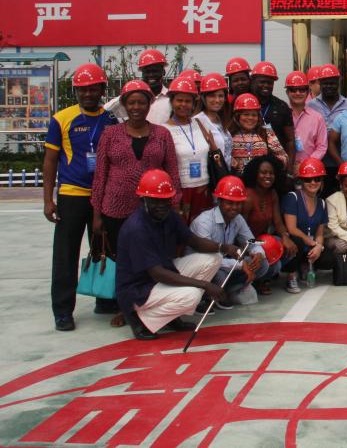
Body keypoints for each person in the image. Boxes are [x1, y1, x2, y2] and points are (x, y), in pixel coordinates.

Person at [91, 80, 180, 324]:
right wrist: (97, 214)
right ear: (124, 105)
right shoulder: (110, 134)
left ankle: (149, 304)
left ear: (150, 104)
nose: (136, 107)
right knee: (124, 262)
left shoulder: (162, 134)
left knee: (153, 260)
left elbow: (172, 171)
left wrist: (174, 203)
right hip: (116, 208)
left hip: (153, 210)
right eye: (131, 103)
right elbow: (100, 175)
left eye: (142, 102)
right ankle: (125, 308)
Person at [116, 169, 235, 341]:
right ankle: (140, 320)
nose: (162, 205)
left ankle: (170, 317)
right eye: (156, 201)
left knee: (214, 258)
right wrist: (204, 285)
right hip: (139, 288)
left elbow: (193, 241)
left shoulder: (168, 215)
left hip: (162, 273)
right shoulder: (137, 228)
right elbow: (157, 273)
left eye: (166, 200)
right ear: (144, 200)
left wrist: (224, 247)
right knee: (192, 296)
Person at [44, 63, 120, 331]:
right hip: (72, 195)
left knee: (103, 249)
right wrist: (48, 200)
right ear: (76, 91)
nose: (88, 94)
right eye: (83, 89)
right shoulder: (61, 119)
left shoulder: (110, 120)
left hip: (103, 196)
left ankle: (105, 299)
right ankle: (63, 311)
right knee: (66, 254)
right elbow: (50, 160)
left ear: (102, 90)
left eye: (93, 89)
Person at [189, 176, 275, 307]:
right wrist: (241, 264)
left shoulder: (237, 218)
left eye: (238, 203)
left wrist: (258, 253)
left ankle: (227, 291)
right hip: (201, 266)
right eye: (230, 203)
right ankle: (209, 296)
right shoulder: (204, 222)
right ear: (219, 201)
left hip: (222, 263)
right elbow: (207, 259)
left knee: (263, 264)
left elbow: (251, 241)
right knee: (219, 276)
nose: (234, 207)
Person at [241, 154, 296, 294]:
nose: (268, 176)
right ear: (255, 174)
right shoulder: (248, 197)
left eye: (271, 173)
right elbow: (240, 231)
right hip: (247, 243)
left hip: (263, 240)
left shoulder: (272, 194)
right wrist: (254, 248)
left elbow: (278, 222)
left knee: (290, 247)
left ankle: (263, 278)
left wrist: (285, 237)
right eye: (263, 172)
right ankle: (257, 280)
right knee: (275, 264)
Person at [164, 76, 212, 224]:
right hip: (181, 191)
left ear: (193, 103)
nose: (183, 104)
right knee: (181, 231)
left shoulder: (199, 124)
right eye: (179, 100)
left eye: (188, 101)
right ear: (172, 101)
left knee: (203, 230)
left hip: (203, 188)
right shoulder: (164, 130)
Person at [280, 158, 330, 293]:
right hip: (296, 244)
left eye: (317, 179)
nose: (313, 182)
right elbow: (291, 228)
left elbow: (320, 233)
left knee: (329, 256)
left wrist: (318, 247)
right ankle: (291, 276)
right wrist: (311, 242)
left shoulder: (322, 203)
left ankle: (304, 266)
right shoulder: (293, 197)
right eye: (308, 179)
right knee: (296, 240)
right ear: (301, 181)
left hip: (310, 245)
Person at [307, 64, 347, 190]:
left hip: (342, 161)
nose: (329, 86)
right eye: (325, 83)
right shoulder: (310, 105)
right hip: (319, 163)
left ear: (338, 82)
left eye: (332, 83)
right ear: (320, 83)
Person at [104, 48, 172, 125]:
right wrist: (127, 94)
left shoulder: (171, 98)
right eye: (147, 72)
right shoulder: (133, 99)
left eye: (155, 71)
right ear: (142, 73)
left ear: (163, 72)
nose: (151, 75)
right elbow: (106, 110)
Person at [249, 61, 296, 165]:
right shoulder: (245, 103)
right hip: (249, 162)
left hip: (276, 164)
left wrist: (290, 169)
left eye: (270, 83)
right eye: (262, 82)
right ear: (253, 81)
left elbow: (290, 141)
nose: (266, 85)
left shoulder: (282, 106)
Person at [230, 93, 288, 175]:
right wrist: (230, 160)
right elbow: (222, 157)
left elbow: (284, 157)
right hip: (236, 179)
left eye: (254, 115)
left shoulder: (266, 131)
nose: (250, 118)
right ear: (237, 116)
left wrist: (268, 162)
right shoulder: (228, 133)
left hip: (261, 180)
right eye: (246, 114)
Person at [284, 71, 328, 175]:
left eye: (302, 90)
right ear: (287, 92)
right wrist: (289, 165)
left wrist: (305, 164)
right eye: (293, 90)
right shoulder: (281, 114)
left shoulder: (317, 118)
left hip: (310, 172)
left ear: (308, 92)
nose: (298, 93)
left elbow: (322, 147)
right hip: (284, 170)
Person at [197, 73, 233, 171]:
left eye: (221, 96)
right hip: (211, 175)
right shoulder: (198, 121)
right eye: (212, 96)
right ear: (203, 97)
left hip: (225, 173)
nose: (217, 100)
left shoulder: (220, 119)